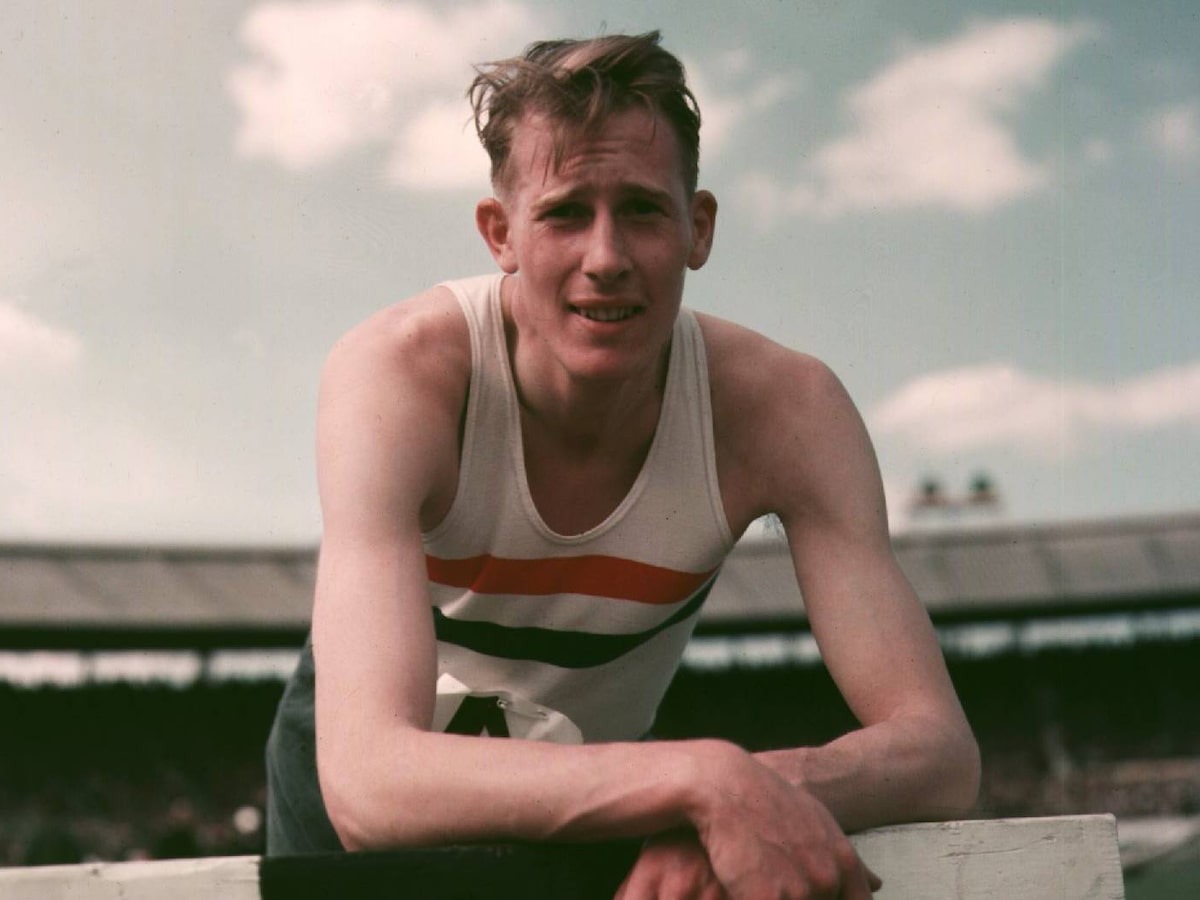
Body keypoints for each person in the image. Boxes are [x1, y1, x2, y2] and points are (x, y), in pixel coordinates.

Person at [265, 31, 980, 898]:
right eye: (565, 213)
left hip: (609, 779)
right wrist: (704, 781)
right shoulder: (401, 371)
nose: (605, 259)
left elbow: (941, 751)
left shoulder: (786, 410)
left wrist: (750, 792)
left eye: (642, 210)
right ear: (500, 233)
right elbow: (370, 785)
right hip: (390, 785)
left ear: (697, 227)